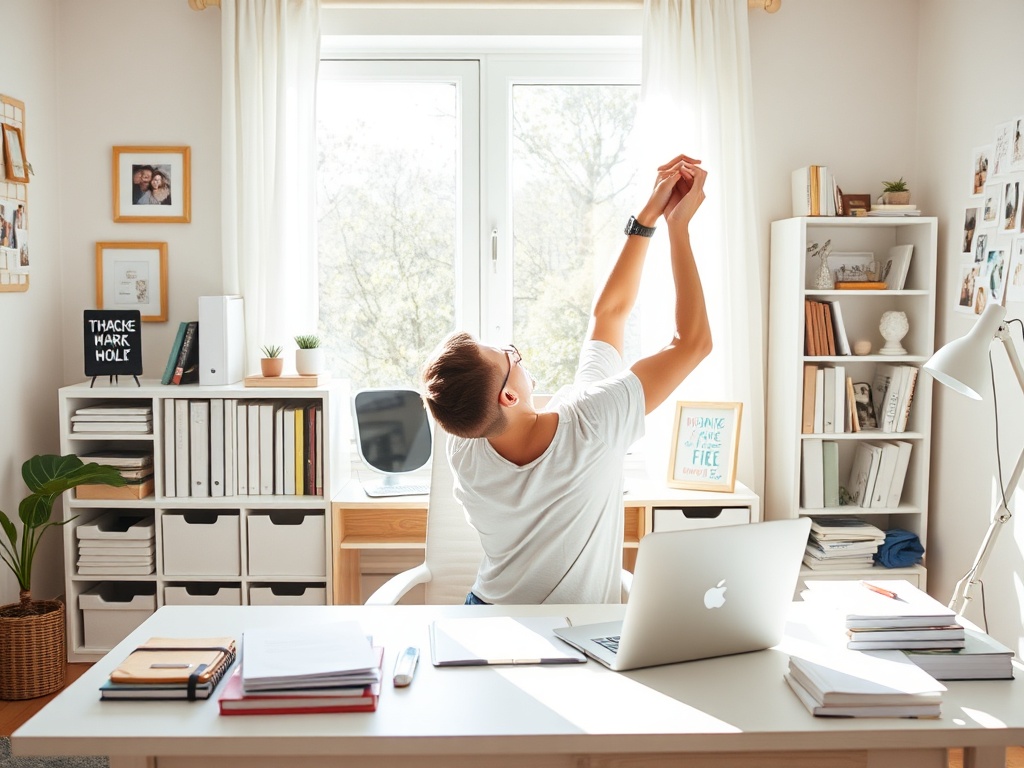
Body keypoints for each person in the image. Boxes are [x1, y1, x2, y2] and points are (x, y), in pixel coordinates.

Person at [421, 152, 712, 605]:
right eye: (507, 354)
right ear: (510, 395)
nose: (512, 351)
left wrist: (648, 216)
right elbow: (692, 343)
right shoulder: (593, 421)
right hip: (574, 635)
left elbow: (609, 315)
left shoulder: (465, 441)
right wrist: (677, 224)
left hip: (484, 620)